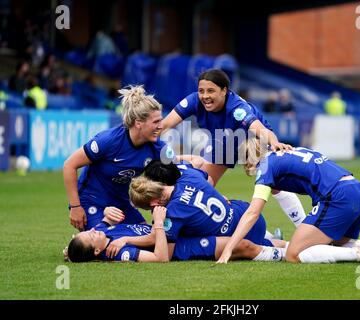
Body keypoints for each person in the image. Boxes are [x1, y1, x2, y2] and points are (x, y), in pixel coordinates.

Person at [161, 69, 306, 228]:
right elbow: (166, 124)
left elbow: (257, 127)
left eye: (211, 91)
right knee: (202, 189)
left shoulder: (236, 108)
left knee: (274, 184)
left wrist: (274, 142)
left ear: (224, 91)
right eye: (201, 91)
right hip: (224, 140)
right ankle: (265, 237)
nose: (205, 96)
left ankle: (302, 227)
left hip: (250, 138)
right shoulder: (193, 101)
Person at [217, 138, 360, 265]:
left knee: (293, 254)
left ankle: (358, 253)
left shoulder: (265, 167)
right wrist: (304, 230)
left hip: (338, 197)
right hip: (358, 191)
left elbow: (253, 212)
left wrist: (229, 248)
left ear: (248, 161)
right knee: (331, 243)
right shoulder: (287, 152)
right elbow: (285, 198)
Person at [63, 85, 175, 231]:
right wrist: (75, 207)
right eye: (156, 122)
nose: (161, 126)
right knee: (102, 241)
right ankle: (79, 246)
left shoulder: (157, 147)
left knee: (148, 237)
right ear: (138, 123)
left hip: (121, 203)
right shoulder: (108, 141)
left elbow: (177, 174)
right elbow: (69, 165)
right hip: (91, 201)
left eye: (161, 120)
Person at [128, 161, 286, 262]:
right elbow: (207, 176)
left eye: (148, 208)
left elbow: (165, 254)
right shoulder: (188, 175)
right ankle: (293, 245)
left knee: (186, 237)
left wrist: (158, 223)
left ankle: (291, 253)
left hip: (239, 237)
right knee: (277, 244)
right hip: (247, 215)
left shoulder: (172, 214)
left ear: (155, 202)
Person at [65, 206, 285, 263]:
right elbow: (161, 258)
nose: (94, 229)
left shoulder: (101, 233)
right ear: (97, 251)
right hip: (182, 247)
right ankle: (287, 255)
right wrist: (159, 224)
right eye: (90, 235)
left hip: (176, 231)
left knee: (258, 240)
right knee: (241, 245)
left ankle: (290, 246)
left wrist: (106, 213)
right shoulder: (118, 253)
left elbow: (98, 227)